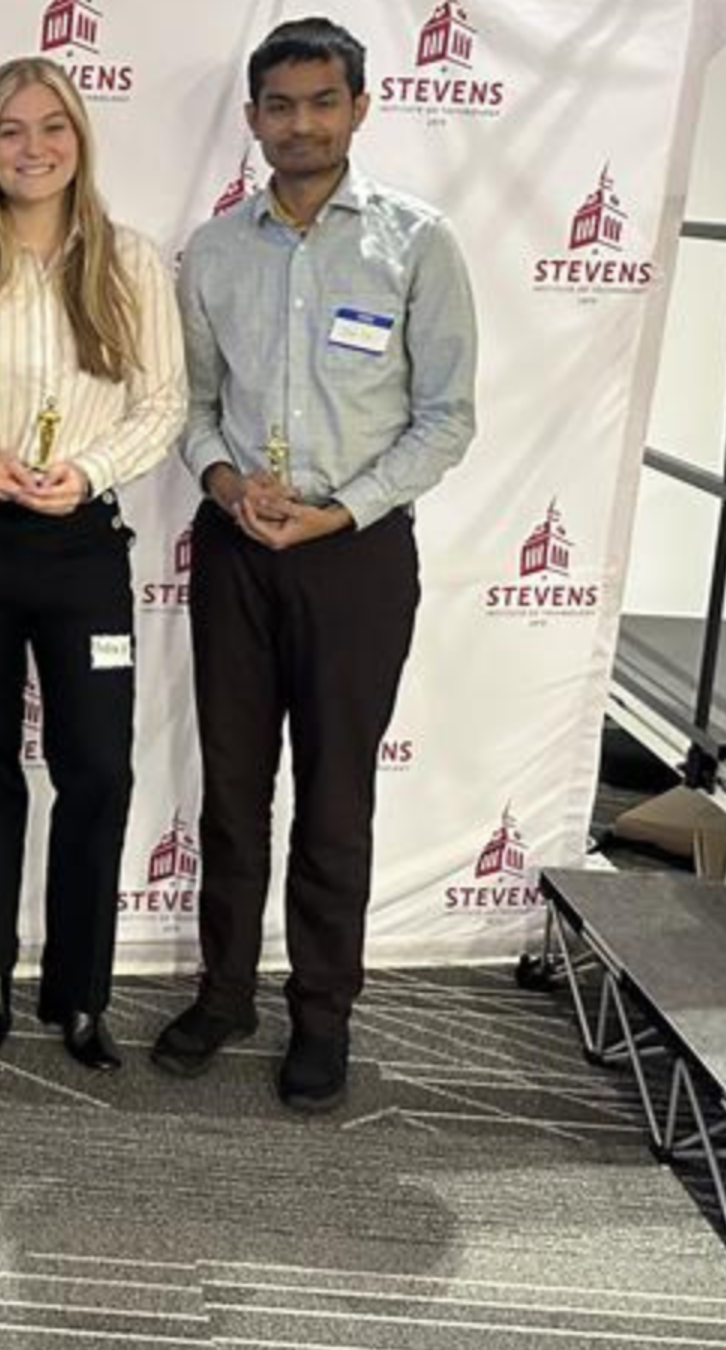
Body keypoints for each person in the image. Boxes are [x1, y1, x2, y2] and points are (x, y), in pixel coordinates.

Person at [151, 16, 477, 1112]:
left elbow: (446, 419)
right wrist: (223, 486)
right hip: (240, 551)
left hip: (357, 559)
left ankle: (323, 1014)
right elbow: (194, 407)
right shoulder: (215, 250)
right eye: (280, 106)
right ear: (252, 119)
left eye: (322, 102)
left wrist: (339, 515)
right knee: (233, 792)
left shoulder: (417, 243)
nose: (301, 125)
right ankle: (225, 993)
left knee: (335, 798)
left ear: (359, 108)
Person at [0, 58, 185, 1071]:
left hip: (83, 548)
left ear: (81, 139)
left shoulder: (131, 262)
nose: (33, 149)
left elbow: (163, 403)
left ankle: (80, 992)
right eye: (11, 130)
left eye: (53, 127)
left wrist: (88, 470)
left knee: (98, 770)